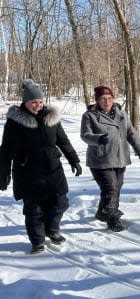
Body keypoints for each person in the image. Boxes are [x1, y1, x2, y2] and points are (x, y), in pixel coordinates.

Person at [0, 79, 82, 254]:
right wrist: (3, 173)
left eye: (40, 102)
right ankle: (37, 241)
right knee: (34, 208)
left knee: (60, 202)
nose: (37, 105)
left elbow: (63, 140)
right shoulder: (15, 122)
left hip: (53, 168)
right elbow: (5, 150)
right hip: (27, 171)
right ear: (25, 102)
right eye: (33, 102)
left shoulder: (51, 118)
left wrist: (74, 159)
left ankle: (51, 229)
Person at [80, 85, 140, 232]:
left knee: (116, 188)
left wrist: (139, 149)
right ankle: (112, 218)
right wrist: (98, 139)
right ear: (97, 100)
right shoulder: (89, 116)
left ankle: (101, 212)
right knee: (111, 188)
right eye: (103, 99)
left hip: (120, 157)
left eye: (109, 98)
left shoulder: (121, 114)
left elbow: (131, 133)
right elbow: (85, 135)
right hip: (100, 160)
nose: (107, 101)